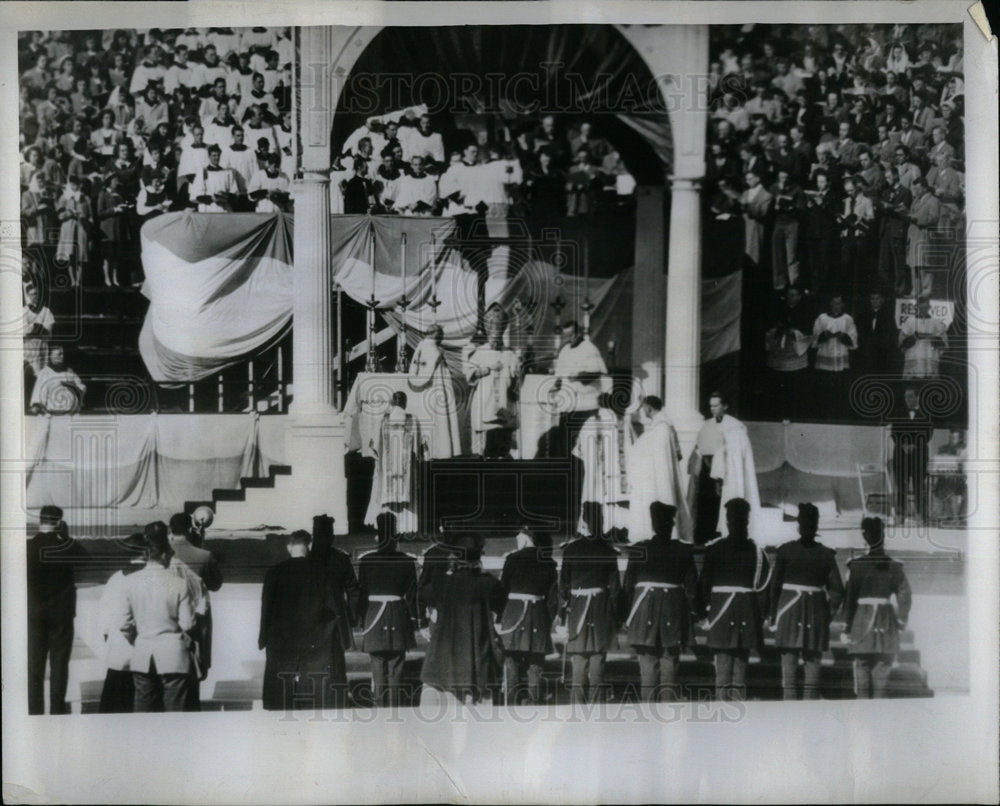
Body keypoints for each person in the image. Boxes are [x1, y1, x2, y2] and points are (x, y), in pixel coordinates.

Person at [259, 530, 345, 711]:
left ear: (289, 547)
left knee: (282, 688)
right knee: (315, 689)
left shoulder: (275, 572)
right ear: (310, 546)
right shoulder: (323, 572)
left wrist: (263, 638)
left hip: (283, 638)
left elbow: (266, 607)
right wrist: (341, 638)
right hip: (316, 638)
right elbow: (334, 608)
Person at [116, 522, 197, 712]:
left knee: (143, 713)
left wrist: (137, 639)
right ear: (164, 554)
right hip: (173, 654)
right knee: (175, 714)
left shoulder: (130, 583)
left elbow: (124, 624)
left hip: (143, 652)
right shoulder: (179, 584)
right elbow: (188, 623)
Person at [695, 498, 771, 702]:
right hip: (746, 615)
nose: (737, 524)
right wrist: (762, 616)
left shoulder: (715, 549)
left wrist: (702, 615)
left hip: (721, 616)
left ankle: (727, 718)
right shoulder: (757, 553)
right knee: (737, 673)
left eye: (738, 520)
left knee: (725, 673)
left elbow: (703, 587)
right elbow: (764, 590)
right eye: (737, 520)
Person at [768, 503, 844, 700]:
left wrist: (773, 616)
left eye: (809, 523)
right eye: (808, 523)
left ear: (799, 525)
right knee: (809, 674)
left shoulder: (786, 551)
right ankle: (806, 718)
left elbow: (774, 588)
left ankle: (793, 717)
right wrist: (825, 615)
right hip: (813, 615)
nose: (808, 526)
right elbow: (836, 591)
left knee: (792, 674)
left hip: (789, 614)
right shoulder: (825, 554)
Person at [622, 503, 698, 702]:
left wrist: (626, 615)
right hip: (673, 611)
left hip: (644, 609)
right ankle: (667, 716)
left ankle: (649, 714)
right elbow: (691, 588)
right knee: (670, 663)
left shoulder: (640, 549)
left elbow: (628, 586)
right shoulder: (683, 550)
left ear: (653, 525)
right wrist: (694, 614)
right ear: (671, 525)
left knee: (647, 664)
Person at [419, 534, 506, 706]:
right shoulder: (488, 584)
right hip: (475, 656)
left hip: (443, 657)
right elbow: (500, 605)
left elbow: (423, 594)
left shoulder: (440, 582)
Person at [842, 517, 912, 698]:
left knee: (862, 682)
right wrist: (901, 621)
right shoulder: (895, 566)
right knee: (881, 681)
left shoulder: (855, 566)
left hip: (861, 626)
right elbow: (905, 596)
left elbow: (849, 600)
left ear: (864, 537)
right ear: (883, 535)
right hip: (886, 625)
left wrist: (847, 628)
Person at [558, 504, 622, 704]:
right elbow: (615, 591)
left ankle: (577, 708)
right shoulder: (609, 551)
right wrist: (617, 617)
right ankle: (597, 709)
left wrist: (562, 615)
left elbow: (563, 587)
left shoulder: (571, 549)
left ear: (584, 521)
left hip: (578, 608)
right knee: (597, 659)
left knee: (579, 659)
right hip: (601, 608)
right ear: (600, 521)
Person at [27, 505, 84, 714]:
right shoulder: (66, 546)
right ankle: (58, 709)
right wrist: (66, 538)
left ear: (40, 521)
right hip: (61, 613)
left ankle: (34, 709)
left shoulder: (27, 547)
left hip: (34, 613)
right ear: (59, 523)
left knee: (34, 665)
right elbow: (84, 558)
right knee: (60, 664)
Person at [357, 513, 418, 707]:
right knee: (396, 667)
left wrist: (361, 620)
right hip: (398, 616)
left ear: (377, 538)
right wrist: (415, 621)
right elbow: (412, 595)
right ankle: (395, 710)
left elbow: (362, 593)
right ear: (396, 538)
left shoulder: (367, 561)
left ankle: (379, 709)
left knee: (377, 666)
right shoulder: (407, 561)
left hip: (374, 616)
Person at [686, 392, 760, 545]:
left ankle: (720, 536)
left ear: (725, 406)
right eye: (710, 406)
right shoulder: (707, 425)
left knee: (722, 503)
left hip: (726, 474)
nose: (712, 409)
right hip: (707, 473)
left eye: (716, 405)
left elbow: (734, 455)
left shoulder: (735, 428)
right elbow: (699, 447)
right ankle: (702, 536)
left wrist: (720, 466)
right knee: (705, 504)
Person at [498, 526, 558, 705]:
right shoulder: (548, 562)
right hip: (537, 613)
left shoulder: (512, 559)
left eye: (519, 537)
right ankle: (535, 702)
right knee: (536, 663)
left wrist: (501, 616)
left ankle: (511, 702)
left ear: (525, 539)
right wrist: (547, 620)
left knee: (511, 661)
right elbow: (553, 598)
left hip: (513, 613)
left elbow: (503, 589)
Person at [168, 512, 222, 709]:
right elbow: (215, 584)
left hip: (167, 621)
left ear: (170, 530)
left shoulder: (162, 556)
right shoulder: (204, 555)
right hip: (195, 623)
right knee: (193, 677)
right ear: (190, 529)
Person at [626, 395, 691, 544]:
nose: (642, 411)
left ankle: (658, 533)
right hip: (659, 475)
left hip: (659, 477)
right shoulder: (664, 426)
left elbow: (647, 450)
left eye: (643, 408)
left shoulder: (661, 429)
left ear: (649, 408)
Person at [573, 392, 635, 540]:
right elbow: (634, 447)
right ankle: (621, 531)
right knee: (619, 504)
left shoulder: (591, 422)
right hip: (621, 477)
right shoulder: (623, 423)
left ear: (598, 404)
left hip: (597, 475)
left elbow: (579, 450)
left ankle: (597, 531)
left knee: (598, 496)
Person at [97, 533, 147, 713]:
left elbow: (104, 616)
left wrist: (110, 638)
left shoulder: (116, 578)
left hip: (119, 652)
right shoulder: (150, 576)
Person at [365, 391, 424, 536]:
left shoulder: (383, 420)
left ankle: (387, 529)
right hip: (406, 470)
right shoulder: (413, 419)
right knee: (405, 495)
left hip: (388, 470)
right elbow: (418, 447)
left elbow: (375, 446)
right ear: (405, 403)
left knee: (387, 495)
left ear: (393, 402)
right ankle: (405, 529)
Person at [464, 307, 520, 458]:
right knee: (485, 448)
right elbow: (469, 374)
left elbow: (517, 379)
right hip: (485, 403)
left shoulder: (510, 353)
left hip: (505, 405)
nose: (496, 339)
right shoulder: (480, 352)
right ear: (489, 334)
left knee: (503, 446)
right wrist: (488, 369)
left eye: (499, 336)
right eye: (493, 336)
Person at [407, 325, 462, 459]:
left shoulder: (420, 347)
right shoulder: (434, 349)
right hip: (436, 388)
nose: (442, 338)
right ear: (436, 335)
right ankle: (442, 451)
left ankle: (427, 451)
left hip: (423, 392)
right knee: (439, 421)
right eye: (441, 335)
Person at [764, 285, 814, 419]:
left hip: (795, 354)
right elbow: (770, 327)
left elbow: (808, 333)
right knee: (779, 386)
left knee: (795, 387)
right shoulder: (778, 309)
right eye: (789, 295)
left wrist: (794, 332)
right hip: (780, 352)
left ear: (799, 297)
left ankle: (795, 414)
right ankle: (779, 413)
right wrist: (778, 330)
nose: (790, 298)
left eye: (793, 295)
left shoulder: (805, 311)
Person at [890, 386, 934, 525]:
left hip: (918, 457)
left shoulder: (926, 414)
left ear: (917, 397)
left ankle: (920, 516)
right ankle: (900, 515)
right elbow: (894, 433)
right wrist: (904, 445)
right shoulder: (898, 413)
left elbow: (928, 433)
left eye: (910, 396)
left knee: (919, 487)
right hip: (901, 457)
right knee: (901, 487)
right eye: (906, 397)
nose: (907, 399)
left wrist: (914, 445)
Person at [811, 294, 858, 418]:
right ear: (830, 304)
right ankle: (825, 415)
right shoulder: (822, 318)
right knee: (825, 392)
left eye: (839, 303)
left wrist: (843, 337)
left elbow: (853, 340)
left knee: (840, 391)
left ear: (842, 305)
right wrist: (824, 335)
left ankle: (839, 416)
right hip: (825, 361)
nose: (836, 306)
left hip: (840, 361)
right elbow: (814, 339)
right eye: (834, 303)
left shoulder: (847, 319)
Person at [899, 296, 948, 379]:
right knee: (913, 385)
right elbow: (901, 342)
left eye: (925, 307)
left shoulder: (936, 322)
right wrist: (914, 337)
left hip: (929, 356)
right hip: (914, 357)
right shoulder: (909, 321)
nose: (923, 309)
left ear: (929, 307)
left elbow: (943, 343)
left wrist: (933, 338)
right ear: (916, 307)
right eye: (921, 306)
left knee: (929, 384)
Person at [854, 288, 899, 377]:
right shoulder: (863, 315)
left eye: (877, 298)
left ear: (882, 300)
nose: (875, 301)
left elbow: (891, 334)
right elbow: (859, 333)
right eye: (872, 299)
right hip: (866, 352)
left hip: (881, 353)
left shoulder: (888, 316)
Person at [29, 345, 86, 415]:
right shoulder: (44, 374)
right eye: (59, 354)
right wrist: (37, 406)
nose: (62, 357)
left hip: (70, 413)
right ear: (51, 356)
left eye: (62, 354)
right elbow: (38, 395)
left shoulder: (69, 372)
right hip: (53, 414)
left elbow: (82, 388)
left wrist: (74, 386)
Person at [190, 143, 238, 211]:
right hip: (208, 209)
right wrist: (211, 198)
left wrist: (224, 196)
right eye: (214, 155)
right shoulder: (202, 173)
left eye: (218, 155)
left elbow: (235, 193)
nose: (217, 158)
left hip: (223, 209)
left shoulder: (227, 173)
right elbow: (195, 196)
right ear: (209, 156)